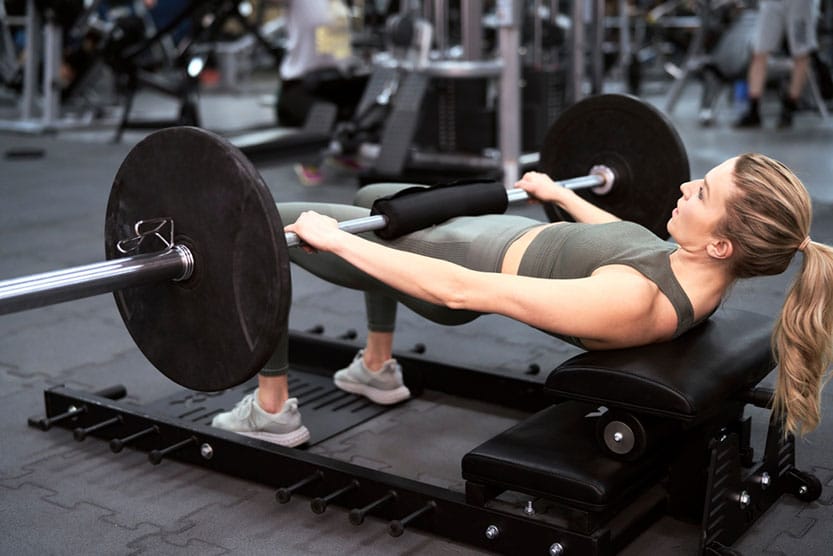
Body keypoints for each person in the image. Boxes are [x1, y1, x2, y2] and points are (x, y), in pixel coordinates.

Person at [212, 153, 833, 446]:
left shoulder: (636, 302)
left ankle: (272, 409)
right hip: (487, 234)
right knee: (379, 188)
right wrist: (558, 195)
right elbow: (622, 240)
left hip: (446, 260)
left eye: (700, 193)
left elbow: (461, 288)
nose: (683, 186)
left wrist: (333, 241)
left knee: (265, 230)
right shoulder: (696, 269)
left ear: (722, 245)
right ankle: (376, 369)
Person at [277, 0, 368, 185]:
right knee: (323, 111)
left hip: (336, 80)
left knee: (370, 102)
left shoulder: (339, 4)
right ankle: (309, 158)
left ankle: (343, 150)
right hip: (299, 85)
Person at [735, 0, 819, 128]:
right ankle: (754, 109)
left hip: (800, 4)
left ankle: (790, 106)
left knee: (801, 54)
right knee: (759, 52)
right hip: (772, 2)